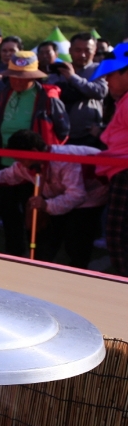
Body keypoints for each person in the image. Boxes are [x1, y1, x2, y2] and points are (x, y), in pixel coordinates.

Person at [0, 51, 69, 256]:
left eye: (22, 76)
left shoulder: (47, 97)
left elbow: (63, 131)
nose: (17, 81)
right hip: (6, 164)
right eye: (13, 76)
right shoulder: (6, 93)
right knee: (9, 214)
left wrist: (45, 159)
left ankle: (38, 257)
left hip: (34, 168)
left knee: (36, 217)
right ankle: (14, 255)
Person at [0, 130, 107, 268]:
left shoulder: (65, 160)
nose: (18, 162)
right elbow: (8, 175)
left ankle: (79, 274)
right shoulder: (28, 163)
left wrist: (46, 205)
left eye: (20, 158)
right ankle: (41, 268)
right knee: (47, 238)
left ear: (33, 151)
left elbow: (77, 195)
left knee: (76, 240)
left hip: (91, 196)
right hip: (60, 195)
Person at [89, 43, 128, 276]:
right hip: (119, 169)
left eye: (112, 74)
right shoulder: (123, 101)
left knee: (118, 234)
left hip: (125, 170)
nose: (107, 81)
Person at [56, 33, 108, 147]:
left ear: (94, 51)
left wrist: (73, 78)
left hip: (88, 136)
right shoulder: (59, 70)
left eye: (87, 50)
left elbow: (100, 91)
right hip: (59, 135)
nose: (82, 55)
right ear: (70, 50)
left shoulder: (99, 69)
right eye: (78, 50)